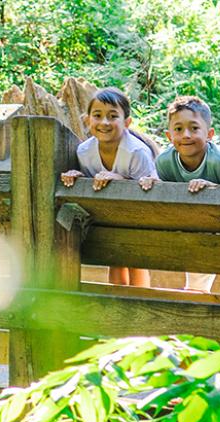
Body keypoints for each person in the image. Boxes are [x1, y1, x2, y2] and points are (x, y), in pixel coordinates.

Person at [138, 96, 220, 296]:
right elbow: (166, 199)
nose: (186, 135)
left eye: (194, 128)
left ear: (209, 134)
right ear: (169, 135)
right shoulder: (165, 162)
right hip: (198, 233)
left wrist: (213, 189)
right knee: (196, 283)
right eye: (178, 129)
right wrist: (154, 183)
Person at [59, 87, 157, 287]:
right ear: (88, 120)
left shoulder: (136, 152)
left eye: (113, 116)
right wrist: (78, 178)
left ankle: (141, 301)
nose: (104, 122)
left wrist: (121, 180)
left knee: (134, 259)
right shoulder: (84, 151)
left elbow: (151, 189)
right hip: (107, 217)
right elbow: (92, 187)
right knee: (114, 257)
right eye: (97, 115)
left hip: (140, 219)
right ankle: (117, 301)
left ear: (127, 123)